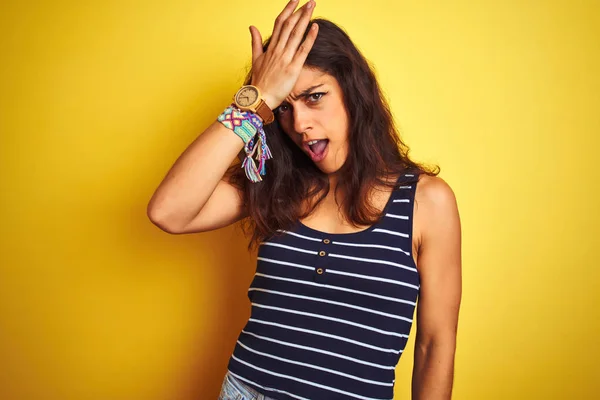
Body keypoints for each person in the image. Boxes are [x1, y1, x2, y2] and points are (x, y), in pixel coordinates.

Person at [147, 0, 462, 398]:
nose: (299, 124)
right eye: (284, 107)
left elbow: (435, 345)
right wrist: (254, 99)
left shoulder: (426, 202)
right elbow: (168, 212)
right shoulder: (276, 182)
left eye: (314, 97)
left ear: (353, 92)